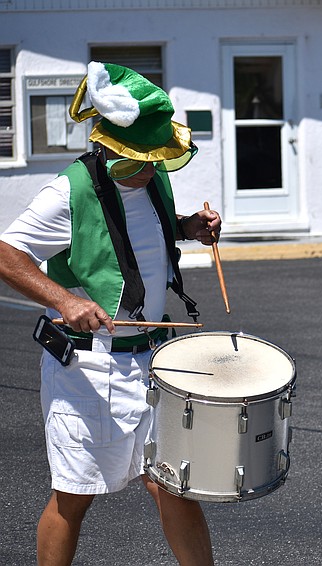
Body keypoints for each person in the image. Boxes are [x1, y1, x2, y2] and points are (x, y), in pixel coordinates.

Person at [0, 61, 220, 566]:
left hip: (151, 364)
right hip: (88, 368)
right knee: (74, 495)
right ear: (113, 149)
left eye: (157, 157)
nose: (152, 168)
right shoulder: (67, 193)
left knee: (173, 487)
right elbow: (7, 255)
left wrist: (189, 227)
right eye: (143, 159)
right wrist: (64, 300)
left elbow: (145, 233)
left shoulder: (152, 181)